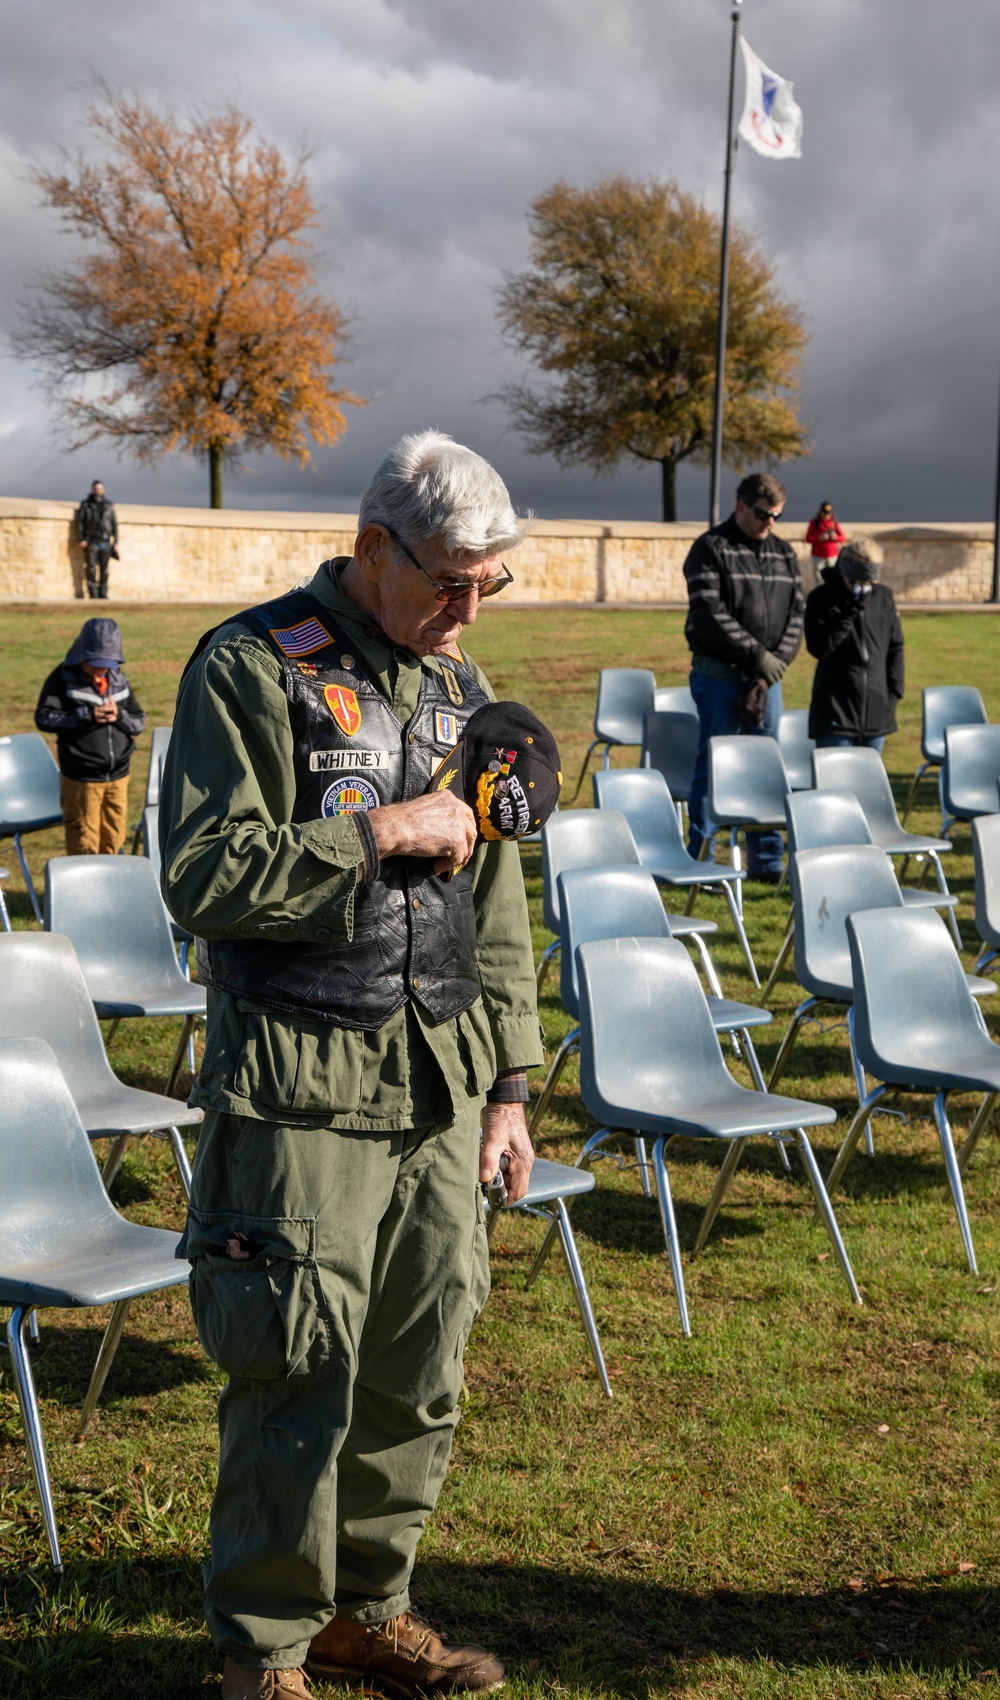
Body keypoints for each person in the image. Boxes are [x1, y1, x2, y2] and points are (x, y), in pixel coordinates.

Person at [159, 431, 545, 1700]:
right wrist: (377, 829)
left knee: (418, 1366)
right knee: (294, 1368)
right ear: (372, 547)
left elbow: (496, 903)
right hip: (300, 1082)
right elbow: (205, 874)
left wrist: (507, 1085)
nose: (468, 608)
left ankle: (367, 1606)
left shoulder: (456, 686)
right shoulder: (249, 666)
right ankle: (265, 1649)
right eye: (449, 580)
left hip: (438, 1083)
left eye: (491, 584)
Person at [682, 471, 804, 883]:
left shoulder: (785, 555)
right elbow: (710, 614)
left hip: (767, 682)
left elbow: (796, 616)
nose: (770, 522)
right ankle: (700, 858)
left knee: (767, 769)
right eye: (763, 513)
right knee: (713, 767)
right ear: (740, 505)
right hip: (719, 677)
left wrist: (774, 666)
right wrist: (758, 657)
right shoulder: (709, 548)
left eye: (777, 516)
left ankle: (767, 863)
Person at [35, 616, 146, 855]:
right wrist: (87, 715)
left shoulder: (117, 677)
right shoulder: (62, 678)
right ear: (80, 654)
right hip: (82, 781)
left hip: (119, 777)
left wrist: (119, 716)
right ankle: (82, 892)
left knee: (114, 840)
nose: (101, 669)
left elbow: (139, 721)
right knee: (84, 843)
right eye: (95, 662)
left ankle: (113, 890)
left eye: (107, 663)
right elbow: (44, 718)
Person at [805, 538, 903, 752]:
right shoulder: (821, 598)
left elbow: (896, 646)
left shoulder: (884, 597)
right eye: (855, 582)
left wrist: (894, 691)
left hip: (876, 712)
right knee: (835, 780)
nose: (862, 589)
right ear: (843, 574)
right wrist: (850, 612)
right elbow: (820, 648)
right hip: (835, 712)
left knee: (869, 781)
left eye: (869, 583)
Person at [75, 478, 118, 599]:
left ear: (103, 490)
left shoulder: (108, 505)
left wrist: (116, 541)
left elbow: (114, 524)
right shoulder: (86, 504)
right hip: (92, 541)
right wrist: (82, 539)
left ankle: (103, 593)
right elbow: (80, 523)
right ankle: (93, 593)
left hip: (105, 541)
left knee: (104, 569)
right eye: (96, 488)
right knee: (91, 568)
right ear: (92, 489)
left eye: (100, 488)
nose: (98, 490)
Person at [805, 502, 846, 578]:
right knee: (819, 579)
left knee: (833, 579)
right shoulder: (815, 523)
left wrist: (835, 537)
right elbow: (808, 539)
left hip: (832, 557)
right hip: (818, 557)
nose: (827, 516)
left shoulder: (834, 523)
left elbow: (843, 538)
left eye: (829, 513)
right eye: (825, 513)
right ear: (821, 512)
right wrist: (819, 538)